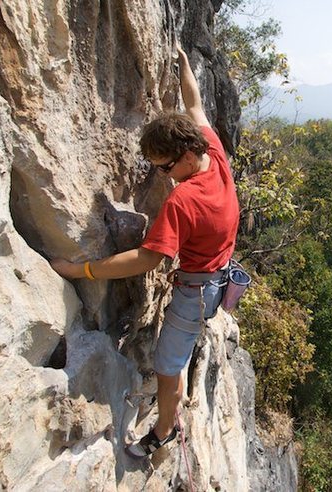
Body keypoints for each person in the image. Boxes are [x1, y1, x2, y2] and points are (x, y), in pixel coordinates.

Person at [50, 46, 240, 458]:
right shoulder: (213, 151)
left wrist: (80, 270)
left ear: (187, 156)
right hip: (218, 274)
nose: (160, 175)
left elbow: (146, 259)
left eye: (164, 167)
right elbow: (195, 104)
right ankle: (180, 383)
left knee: (167, 367)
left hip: (196, 292)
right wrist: (186, 66)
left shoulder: (184, 201)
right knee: (181, 347)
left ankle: (165, 429)